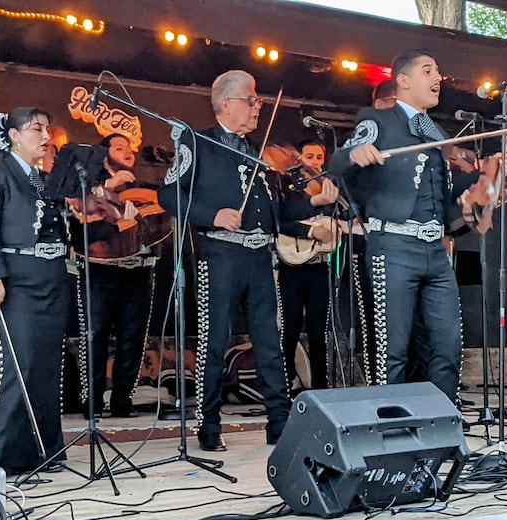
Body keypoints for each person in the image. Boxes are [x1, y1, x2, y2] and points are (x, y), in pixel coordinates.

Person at [328, 49, 484, 405]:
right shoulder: (377, 121)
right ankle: (389, 430)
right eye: (428, 70)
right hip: (394, 248)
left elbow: (439, 190)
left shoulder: (435, 131)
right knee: (392, 347)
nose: (437, 78)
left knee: (448, 343)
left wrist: (480, 177)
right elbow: (336, 162)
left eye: (439, 70)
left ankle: (443, 422)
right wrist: (354, 154)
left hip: (435, 249)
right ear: (403, 80)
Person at [159, 69, 289, 449]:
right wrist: (212, 215)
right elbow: (169, 195)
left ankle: (279, 422)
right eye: (252, 100)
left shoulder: (254, 150)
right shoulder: (197, 142)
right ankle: (209, 425)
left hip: (259, 256)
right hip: (220, 253)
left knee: (269, 340)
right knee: (215, 339)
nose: (258, 107)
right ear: (227, 103)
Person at [0, 108, 71, 474]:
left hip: (51, 276)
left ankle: (44, 449)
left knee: (47, 367)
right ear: (13, 136)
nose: (45, 135)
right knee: (17, 365)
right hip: (17, 280)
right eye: (35, 128)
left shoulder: (43, 177)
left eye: (47, 128)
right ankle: (2, 454)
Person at [69, 133, 168, 419]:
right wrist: (106, 187)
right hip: (100, 270)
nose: (127, 152)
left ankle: (123, 399)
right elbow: (78, 215)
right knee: (96, 335)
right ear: (104, 153)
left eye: (130, 148)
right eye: (119, 147)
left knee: (133, 337)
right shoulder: (84, 182)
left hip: (137, 269)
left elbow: (155, 225)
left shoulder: (140, 187)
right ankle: (92, 400)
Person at [276, 139, 339, 393]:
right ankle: (286, 380)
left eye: (319, 157)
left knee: (318, 327)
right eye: (309, 156)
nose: (315, 162)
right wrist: (313, 231)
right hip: (291, 265)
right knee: (290, 325)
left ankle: (321, 383)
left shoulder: (330, 187)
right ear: (299, 159)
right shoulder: (288, 185)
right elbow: (283, 222)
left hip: (318, 264)